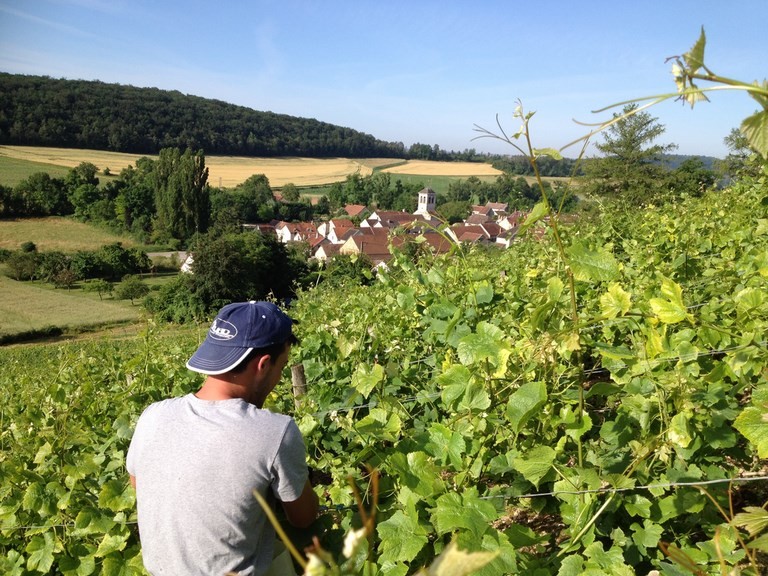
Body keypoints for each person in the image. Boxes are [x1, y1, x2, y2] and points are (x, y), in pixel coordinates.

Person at [127, 300, 319, 576]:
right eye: (282, 365)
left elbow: (138, 483)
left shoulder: (152, 416)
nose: (279, 376)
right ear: (263, 364)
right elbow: (303, 518)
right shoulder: (275, 431)